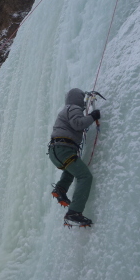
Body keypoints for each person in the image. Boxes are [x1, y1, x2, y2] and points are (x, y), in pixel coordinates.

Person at [48, 88, 101, 226]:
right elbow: (78, 124)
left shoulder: (66, 110)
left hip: (56, 151)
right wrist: (93, 116)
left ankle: (60, 189)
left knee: (71, 169)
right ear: (77, 99)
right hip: (64, 149)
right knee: (85, 176)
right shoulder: (73, 108)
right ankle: (74, 212)